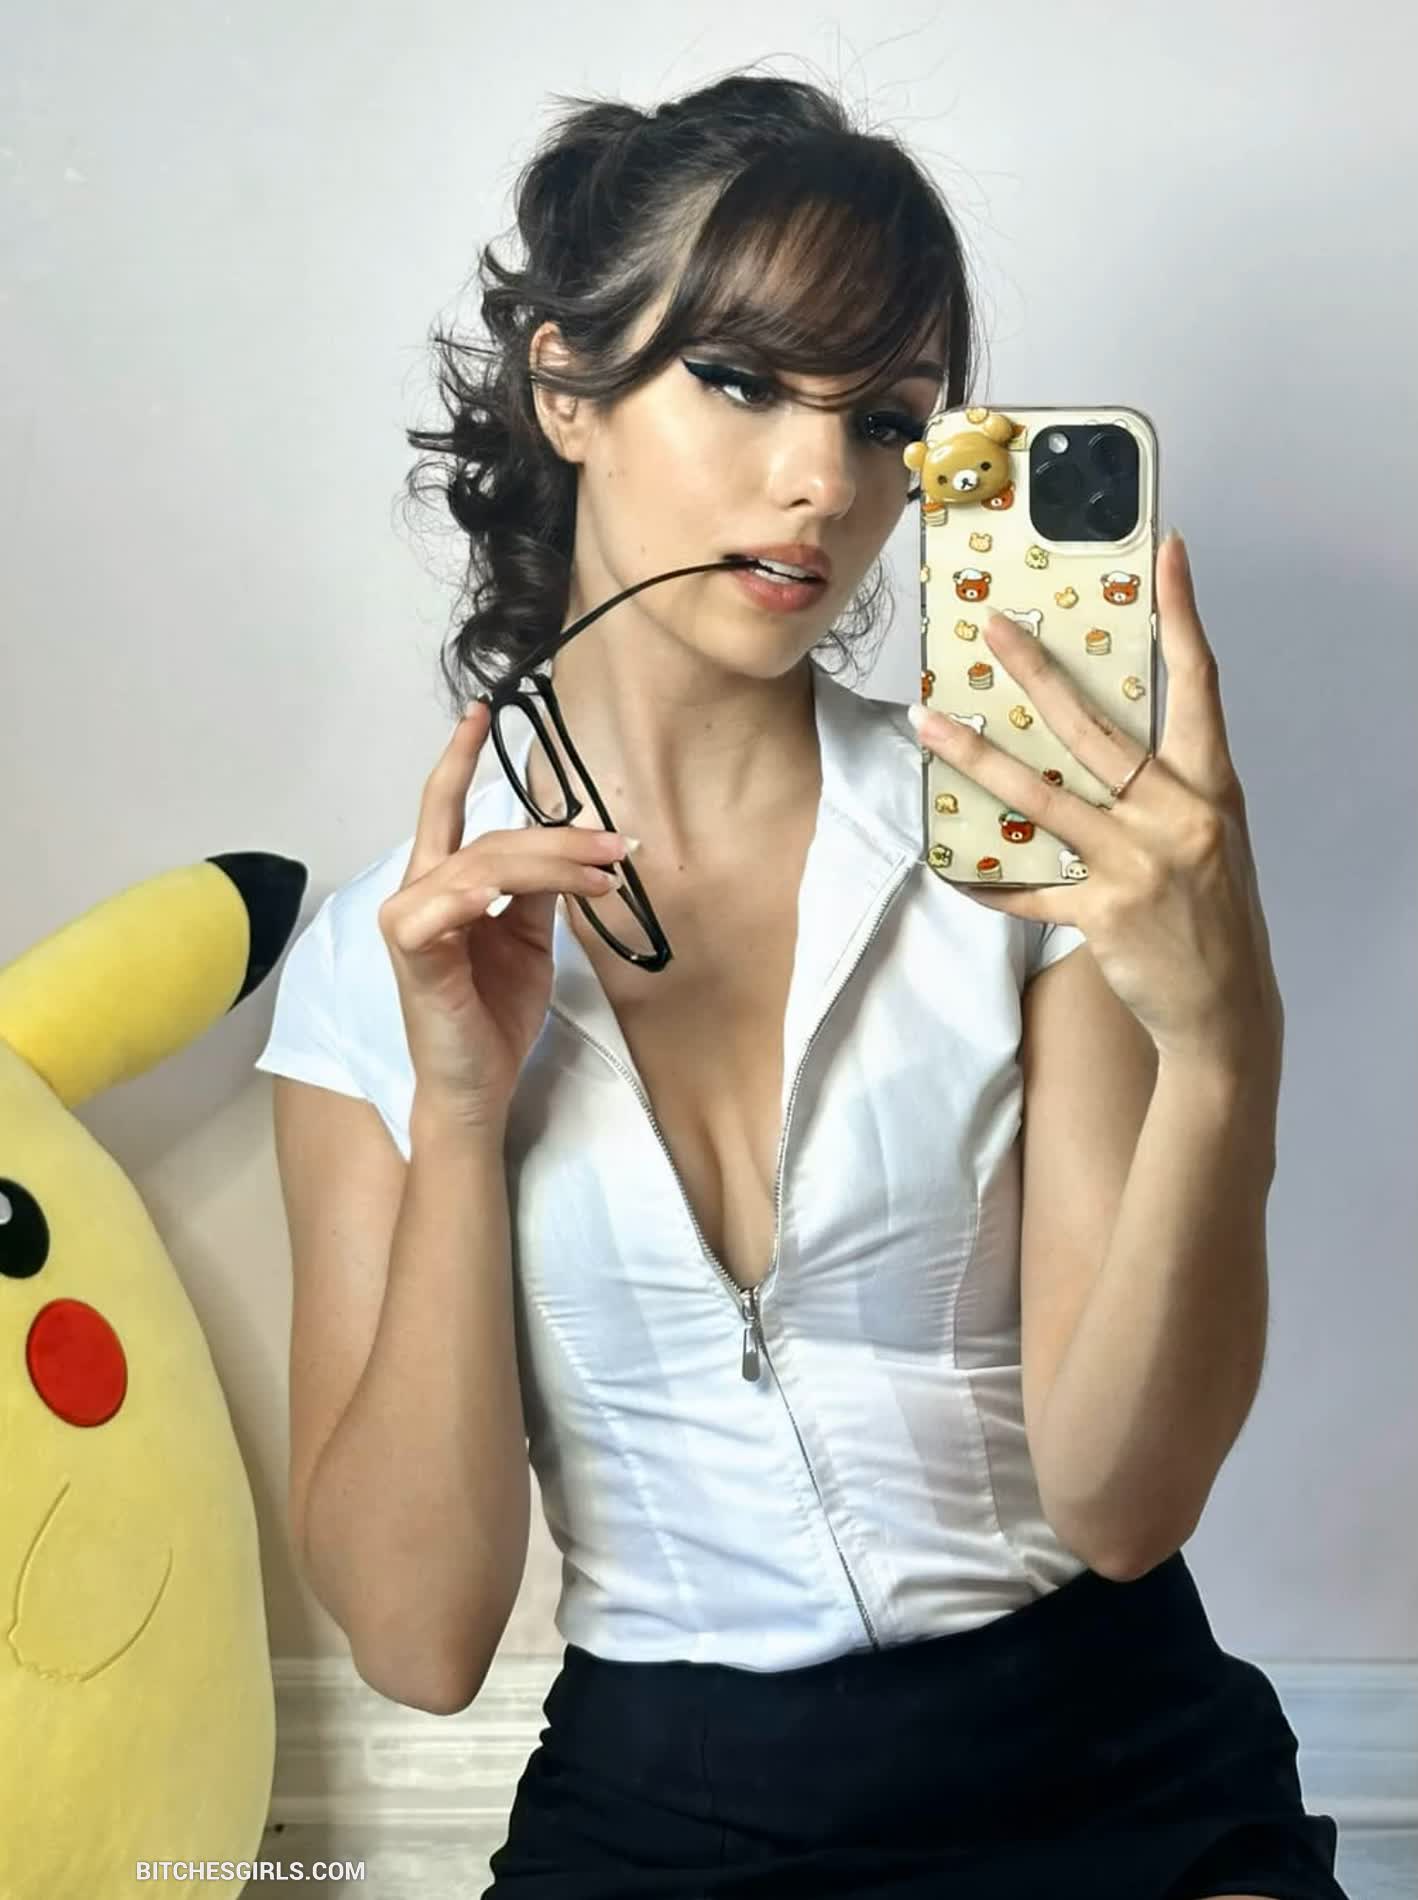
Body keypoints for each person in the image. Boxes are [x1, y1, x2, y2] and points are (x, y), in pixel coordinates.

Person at [254, 69, 1350, 1900]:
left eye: (884, 420)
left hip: (1112, 1771)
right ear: (564, 386)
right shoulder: (384, 964)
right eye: (742, 379)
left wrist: (1225, 1045)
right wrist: (456, 1110)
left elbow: (1121, 1500)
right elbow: (417, 1643)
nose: (822, 484)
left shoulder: (1017, 868)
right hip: (665, 1809)